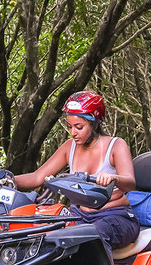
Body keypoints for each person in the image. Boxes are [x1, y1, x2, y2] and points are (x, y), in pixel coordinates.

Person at [11, 91, 140, 250]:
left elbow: (130, 183)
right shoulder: (69, 147)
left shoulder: (116, 145)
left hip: (116, 216)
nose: (73, 133)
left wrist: (114, 178)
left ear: (94, 124)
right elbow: (38, 177)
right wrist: (7, 180)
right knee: (44, 235)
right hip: (81, 216)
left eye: (79, 127)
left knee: (93, 236)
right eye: (70, 126)